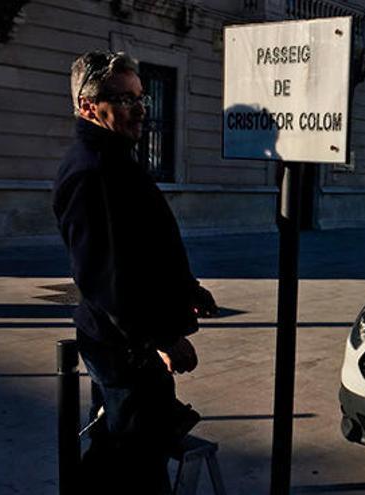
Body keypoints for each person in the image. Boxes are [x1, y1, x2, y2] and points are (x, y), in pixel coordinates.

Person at [52, 51, 218, 495]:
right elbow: (107, 279)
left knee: (128, 452)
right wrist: (161, 338)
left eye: (141, 98)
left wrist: (188, 288)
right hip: (122, 348)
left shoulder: (118, 157)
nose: (141, 108)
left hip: (129, 345)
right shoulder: (92, 170)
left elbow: (146, 247)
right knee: (132, 462)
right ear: (89, 106)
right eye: (125, 99)